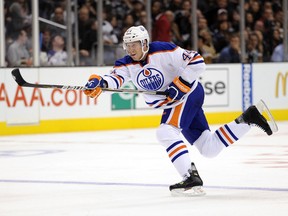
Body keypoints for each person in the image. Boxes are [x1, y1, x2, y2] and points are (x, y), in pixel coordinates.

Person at [83, 25, 277, 196]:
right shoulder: (126, 63)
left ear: (144, 43)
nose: (131, 48)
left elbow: (198, 61)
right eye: (128, 45)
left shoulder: (163, 50)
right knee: (208, 148)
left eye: (134, 44)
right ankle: (248, 119)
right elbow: (114, 79)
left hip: (188, 94)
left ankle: (189, 177)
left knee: (165, 132)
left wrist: (180, 84)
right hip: (175, 103)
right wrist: (99, 83)